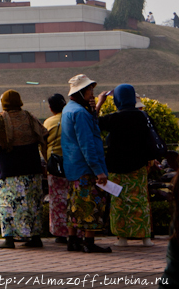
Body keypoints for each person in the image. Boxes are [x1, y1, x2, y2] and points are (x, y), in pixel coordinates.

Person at [0, 90, 48, 249]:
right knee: (33, 203)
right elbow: (43, 134)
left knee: (8, 204)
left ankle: (9, 239)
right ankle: (35, 237)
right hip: (32, 168)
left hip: (10, 169)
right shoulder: (29, 117)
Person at [98, 84, 157, 247]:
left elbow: (93, 124)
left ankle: (122, 238)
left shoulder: (114, 118)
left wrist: (100, 103)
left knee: (119, 202)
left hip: (116, 167)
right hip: (139, 166)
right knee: (140, 201)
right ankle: (145, 238)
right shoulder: (143, 116)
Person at [61, 74, 112, 253]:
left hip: (73, 165)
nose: (92, 93)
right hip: (86, 167)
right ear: (82, 92)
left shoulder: (69, 109)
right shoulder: (80, 113)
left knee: (75, 204)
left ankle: (72, 240)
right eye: (90, 90)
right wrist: (98, 170)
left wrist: (94, 110)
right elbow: (87, 144)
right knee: (90, 204)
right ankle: (89, 243)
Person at [44, 94, 71, 244]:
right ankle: (75, 230)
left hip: (54, 166)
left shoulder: (49, 122)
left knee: (57, 200)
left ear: (50, 108)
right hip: (72, 163)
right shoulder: (71, 117)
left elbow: (43, 143)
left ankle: (60, 233)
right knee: (71, 198)